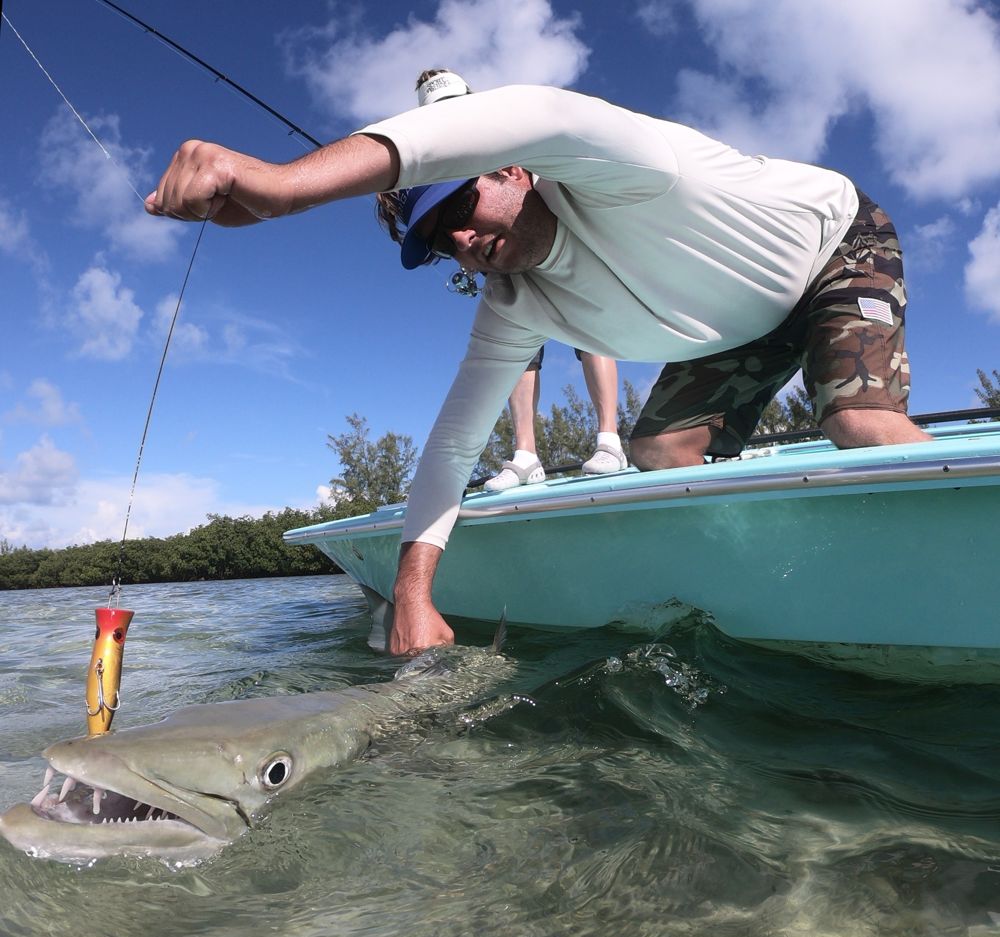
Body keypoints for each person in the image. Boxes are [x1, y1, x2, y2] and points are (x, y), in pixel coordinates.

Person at [145, 82, 930, 656]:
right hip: (738, 327)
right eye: (437, 241)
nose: (459, 240)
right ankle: (782, 600)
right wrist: (414, 599)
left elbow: (537, 112)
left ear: (514, 171)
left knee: (856, 422)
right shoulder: (515, 305)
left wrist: (285, 188)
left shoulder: (617, 167)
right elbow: (451, 451)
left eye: (460, 207)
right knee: (660, 456)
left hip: (833, 246)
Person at [414, 69, 626, 491]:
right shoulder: (436, 156)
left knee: (589, 334)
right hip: (505, 262)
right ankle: (526, 455)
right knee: (520, 354)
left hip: (550, 233)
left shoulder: (506, 126)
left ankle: (610, 441)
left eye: (453, 103)